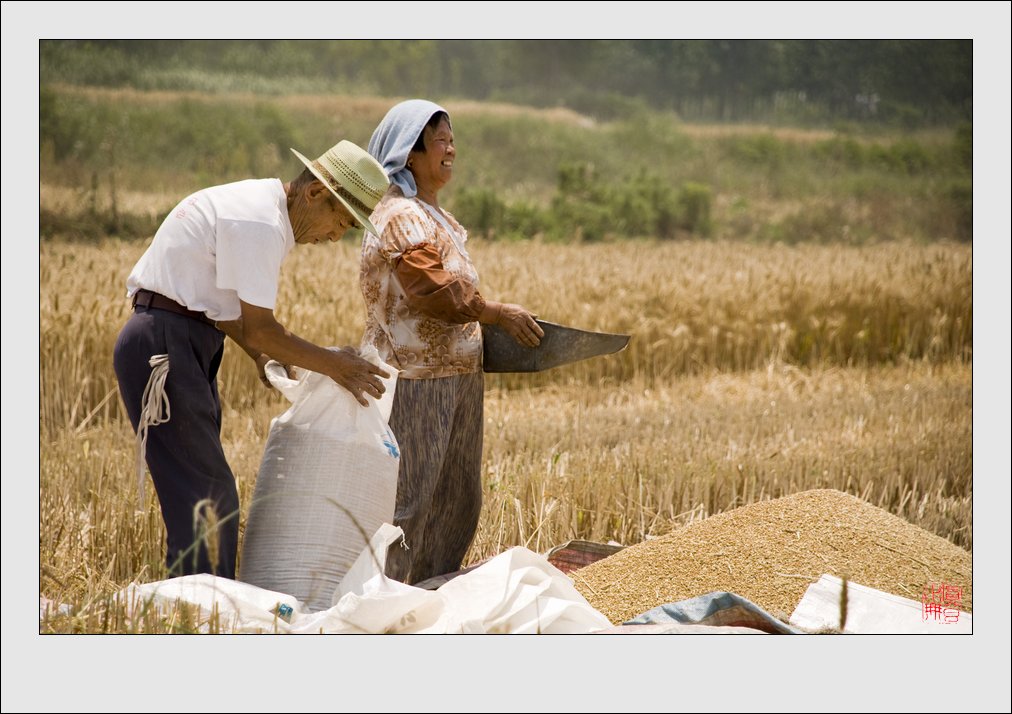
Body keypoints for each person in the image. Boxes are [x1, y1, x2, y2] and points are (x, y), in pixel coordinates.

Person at [113, 140, 391, 579]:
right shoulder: (260, 221)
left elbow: (220, 309)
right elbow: (262, 328)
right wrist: (335, 364)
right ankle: (199, 616)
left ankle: (198, 607)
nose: (335, 236)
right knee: (205, 494)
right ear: (316, 191)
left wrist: (259, 356)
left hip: (181, 337)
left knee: (202, 492)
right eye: (340, 220)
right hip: (164, 346)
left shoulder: (261, 208)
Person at [360, 99, 544, 585]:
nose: (451, 149)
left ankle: (431, 596)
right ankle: (390, 599)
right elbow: (432, 290)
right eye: (439, 140)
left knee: (457, 497)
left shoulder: (436, 217)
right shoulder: (401, 215)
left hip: (458, 379)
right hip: (417, 381)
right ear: (409, 153)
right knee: (412, 498)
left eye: (451, 139)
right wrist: (497, 314)